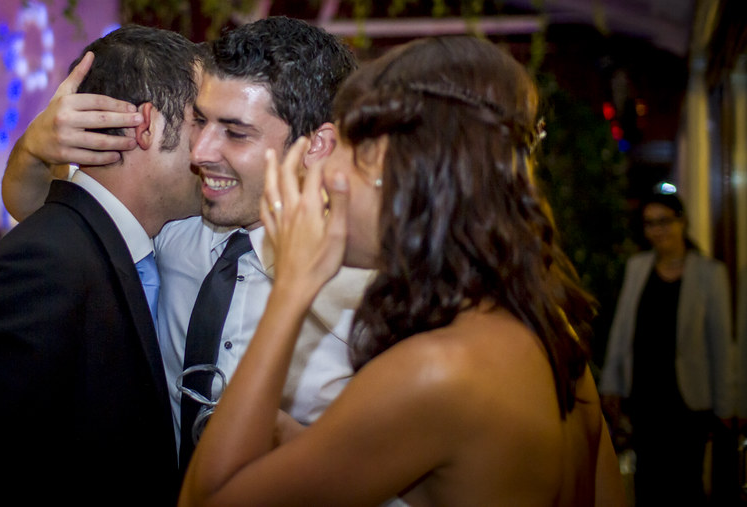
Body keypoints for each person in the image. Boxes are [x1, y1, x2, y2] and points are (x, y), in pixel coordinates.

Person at [179, 36, 626, 506]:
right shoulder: (543, 329)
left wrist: (291, 290)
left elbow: (205, 500)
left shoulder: (438, 368)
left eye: (348, 149)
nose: (326, 177)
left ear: (399, 175)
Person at [1, 16, 367, 474]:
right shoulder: (179, 223)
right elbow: (44, 211)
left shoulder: (367, 279)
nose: (200, 152)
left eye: (236, 132)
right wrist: (33, 149)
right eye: (201, 122)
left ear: (316, 146)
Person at [0, 25, 201, 506]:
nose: (211, 148)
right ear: (147, 125)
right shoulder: (42, 262)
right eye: (200, 122)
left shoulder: (123, 242)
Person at [600, 189, 733, 506]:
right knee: (649, 482)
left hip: (688, 400)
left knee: (686, 483)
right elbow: (622, 329)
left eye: (664, 221)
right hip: (645, 397)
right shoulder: (638, 267)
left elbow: (721, 344)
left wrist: (726, 405)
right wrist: (611, 384)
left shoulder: (709, 274)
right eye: (650, 223)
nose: (657, 230)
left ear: (681, 222)